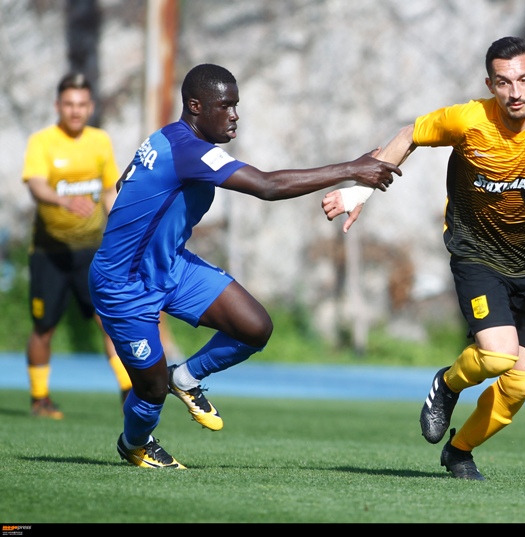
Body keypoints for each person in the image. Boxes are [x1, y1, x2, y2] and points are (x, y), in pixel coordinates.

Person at [322, 36, 525, 480]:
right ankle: (447, 383)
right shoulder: (469, 120)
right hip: (478, 256)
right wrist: (361, 191)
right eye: (504, 82)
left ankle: (459, 451)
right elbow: (409, 135)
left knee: (519, 384)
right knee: (497, 356)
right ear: (490, 84)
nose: (515, 92)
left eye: (523, 80)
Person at [89, 63, 400, 469]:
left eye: (236, 105)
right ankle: (135, 443)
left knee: (254, 326)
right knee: (150, 389)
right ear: (196, 106)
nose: (234, 115)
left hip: (170, 266)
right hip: (123, 283)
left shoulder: (169, 138)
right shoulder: (189, 150)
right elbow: (267, 186)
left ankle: (186, 378)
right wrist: (351, 169)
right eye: (225, 106)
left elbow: (122, 184)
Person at [22, 72, 133, 419]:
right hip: (50, 252)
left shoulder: (99, 141)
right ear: (58, 106)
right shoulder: (43, 142)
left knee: (109, 319)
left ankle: (129, 391)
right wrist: (63, 201)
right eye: (69, 104)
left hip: (91, 251)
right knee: (44, 327)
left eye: (81, 104)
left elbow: (110, 191)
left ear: (91, 107)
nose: (75, 111)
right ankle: (40, 398)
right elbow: (36, 185)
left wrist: (124, 229)